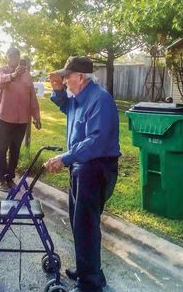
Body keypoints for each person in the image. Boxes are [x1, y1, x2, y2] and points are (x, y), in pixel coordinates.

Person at [44, 56, 121, 292]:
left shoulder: (100, 99)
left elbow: (95, 141)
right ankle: (90, 270)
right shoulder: (79, 97)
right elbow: (66, 106)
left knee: (86, 225)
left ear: (80, 77)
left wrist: (64, 158)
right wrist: (58, 91)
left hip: (96, 168)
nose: (65, 80)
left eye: (67, 77)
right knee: (81, 224)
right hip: (82, 167)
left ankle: (89, 284)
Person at [0, 47, 41, 191]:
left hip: (21, 121)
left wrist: (36, 117)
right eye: (11, 56)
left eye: (16, 56)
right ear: (7, 57)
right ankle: (1, 180)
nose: (14, 58)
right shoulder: (1, 70)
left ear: (19, 57)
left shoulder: (27, 74)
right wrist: (13, 75)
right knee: (2, 149)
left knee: (15, 150)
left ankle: (10, 178)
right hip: (3, 118)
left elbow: (32, 96)